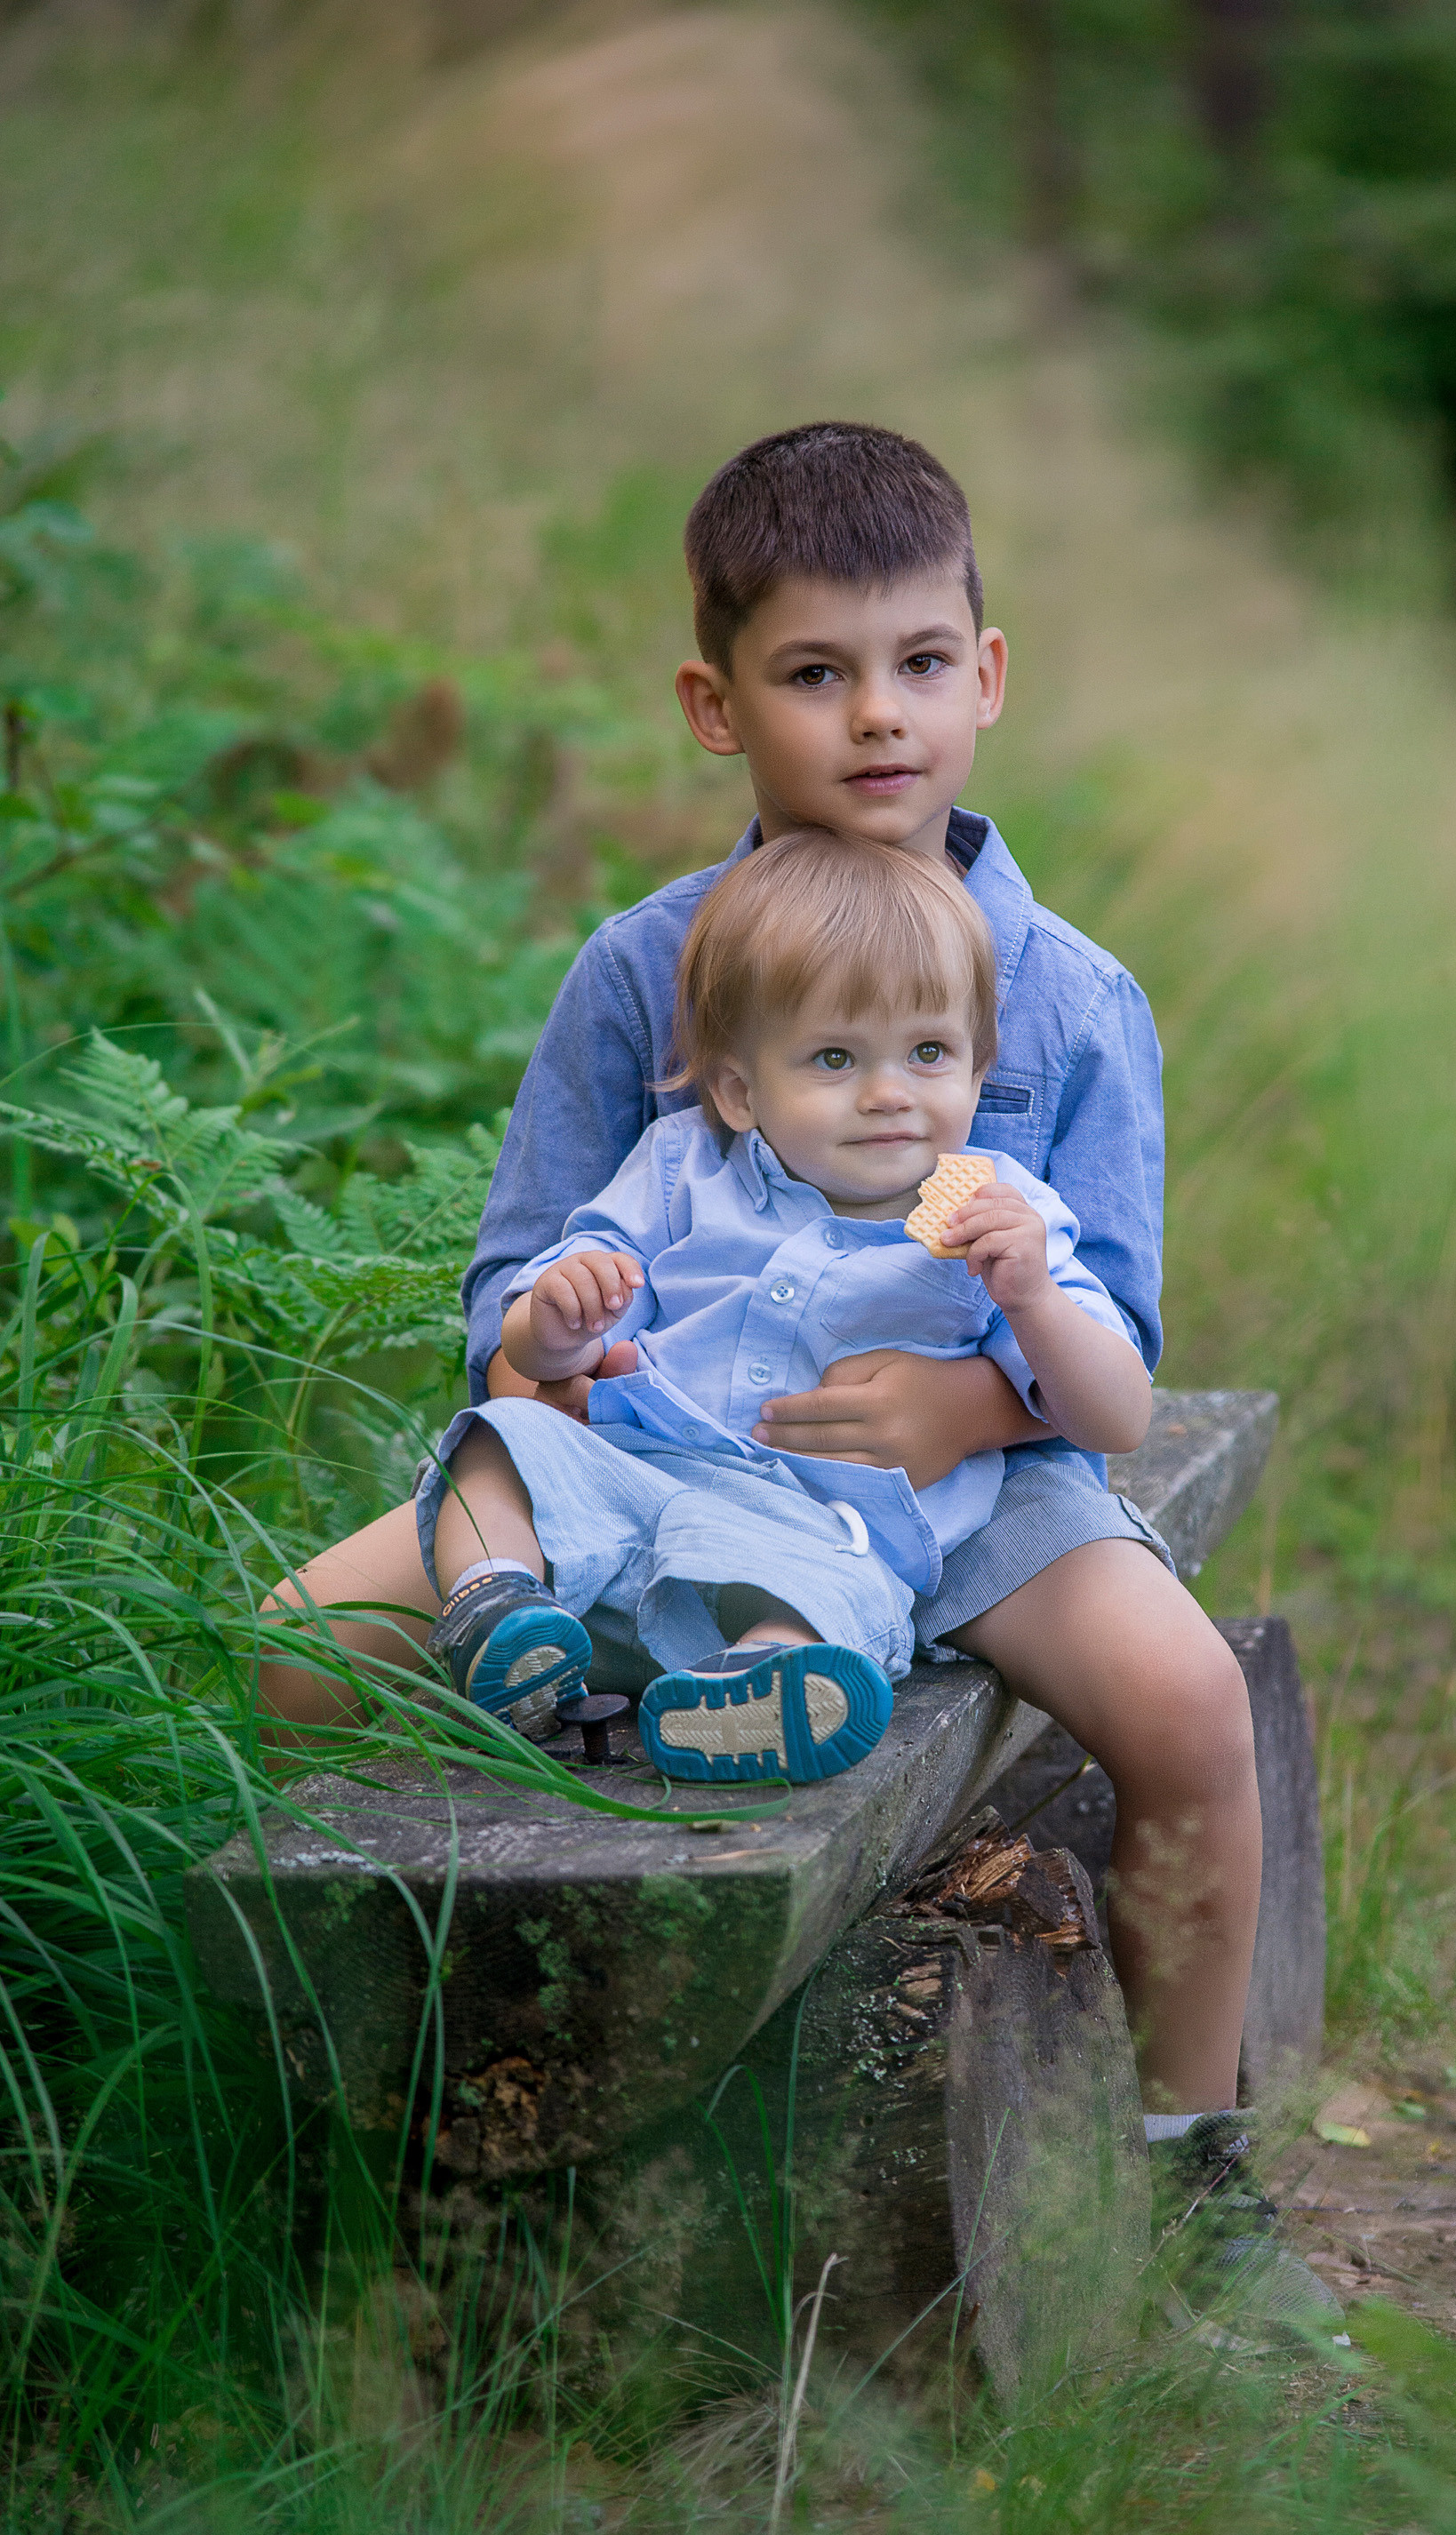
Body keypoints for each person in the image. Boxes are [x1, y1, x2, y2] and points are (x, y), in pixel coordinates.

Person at [259, 421, 1269, 2234]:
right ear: (716, 706)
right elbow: (511, 1301)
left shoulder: (1071, 998)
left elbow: (1110, 1339)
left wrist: (965, 1406)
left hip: (963, 1481)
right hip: (656, 1446)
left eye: (919, 664)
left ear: (989, 678)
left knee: (1189, 1702)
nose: (876, 716)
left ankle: (1195, 2170)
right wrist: (551, 1342)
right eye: (815, 673)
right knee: (278, 1656)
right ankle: (326, 2146)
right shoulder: (644, 974)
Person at [419, 830, 1151, 1789]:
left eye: (929, 1052)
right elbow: (544, 1322)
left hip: (824, 1528)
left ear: (978, 1071)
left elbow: (1118, 1417)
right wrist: (554, 1322)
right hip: (639, 1485)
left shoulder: (1001, 1219)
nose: (889, 1094)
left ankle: (755, 1688)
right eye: (835, 1058)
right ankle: (494, 1607)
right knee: (496, 1435)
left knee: (825, 1595)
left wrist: (1035, 1305)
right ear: (736, 1089)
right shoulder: (683, 1167)